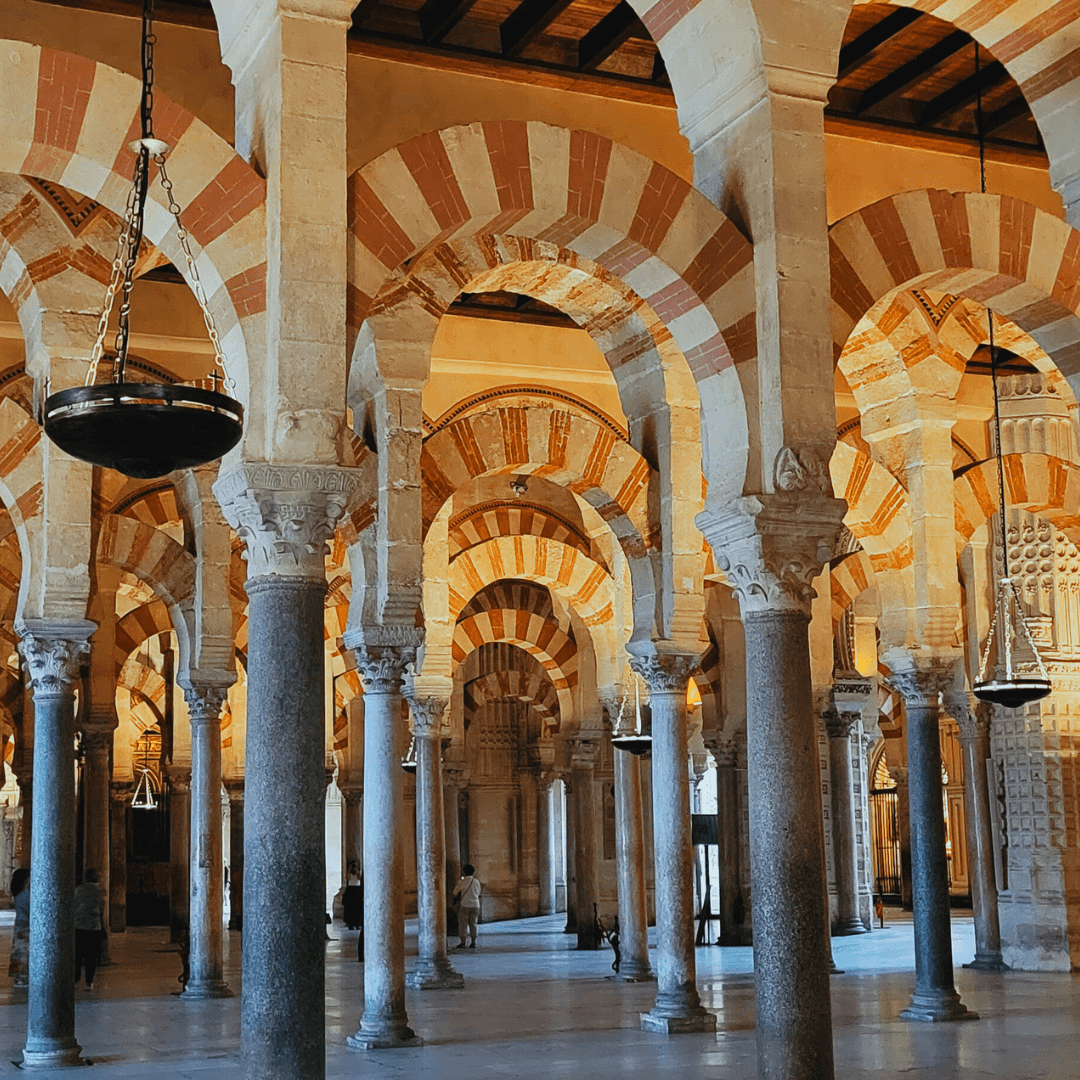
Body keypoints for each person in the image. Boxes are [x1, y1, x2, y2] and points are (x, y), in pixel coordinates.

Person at [74, 868, 106, 990]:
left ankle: (75, 978)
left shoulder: (79, 889)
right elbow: (101, 909)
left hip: (78, 925)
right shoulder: (100, 890)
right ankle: (89, 982)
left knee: (78, 954)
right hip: (94, 927)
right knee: (91, 956)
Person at [8, 867, 29, 987]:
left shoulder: (17, 892)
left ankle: (18, 977)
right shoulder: (25, 894)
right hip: (25, 925)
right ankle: (22, 977)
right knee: (24, 952)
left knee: (18, 951)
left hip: (19, 924)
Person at [453, 863, 481, 949]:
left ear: (464, 872)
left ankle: (463, 942)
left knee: (463, 923)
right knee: (473, 923)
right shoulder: (476, 882)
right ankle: (473, 942)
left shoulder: (462, 881)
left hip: (465, 904)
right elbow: (479, 893)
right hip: (475, 905)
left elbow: (454, 892)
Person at [343, 861, 362, 931]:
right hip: (350, 890)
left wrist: (357, 871)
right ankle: (350, 924)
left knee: (357, 908)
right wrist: (350, 871)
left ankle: (357, 924)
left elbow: (359, 877)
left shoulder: (358, 873)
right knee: (350, 908)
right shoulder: (349, 874)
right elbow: (347, 878)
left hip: (357, 890)